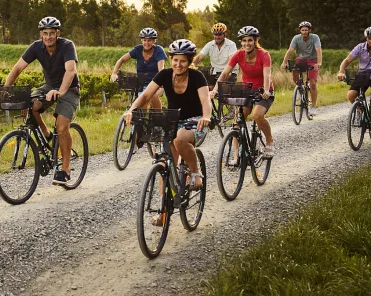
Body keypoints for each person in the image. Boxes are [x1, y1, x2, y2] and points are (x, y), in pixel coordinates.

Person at [123, 39, 211, 225]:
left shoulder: (197, 77)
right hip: (173, 120)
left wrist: (206, 117)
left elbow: (205, 101)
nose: (178, 64)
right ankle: (164, 211)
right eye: (175, 60)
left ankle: (195, 171)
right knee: (165, 162)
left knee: (179, 140)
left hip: (196, 122)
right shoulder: (164, 75)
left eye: (183, 61)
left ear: (189, 61)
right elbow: (146, 95)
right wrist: (131, 110)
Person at [4, 16, 80, 186]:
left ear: (57, 33)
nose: (48, 37)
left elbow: (70, 71)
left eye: (51, 33)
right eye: (45, 33)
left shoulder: (67, 46)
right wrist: (6, 89)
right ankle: (46, 134)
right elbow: (17, 68)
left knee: (61, 127)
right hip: (49, 86)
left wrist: (60, 91)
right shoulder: (36, 47)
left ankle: (65, 170)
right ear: (41, 35)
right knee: (30, 104)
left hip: (69, 89)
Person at [211, 26, 277, 159]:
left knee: (257, 115)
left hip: (263, 91)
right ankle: (236, 157)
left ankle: (269, 141)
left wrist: (265, 90)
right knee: (237, 123)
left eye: (250, 40)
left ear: (255, 40)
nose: (247, 43)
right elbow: (224, 74)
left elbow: (267, 75)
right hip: (246, 89)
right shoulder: (238, 54)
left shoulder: (264, 55)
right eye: (244, 41)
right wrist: (214, 90)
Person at [337, 26, 371, 133]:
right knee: (351, 95)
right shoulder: (360, 47)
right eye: (369, 38)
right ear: (366, 38)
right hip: (363, 75)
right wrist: (341, 72)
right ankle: (360, 112)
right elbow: (347, 60)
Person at [110, 28, 166, 111]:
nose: (146, 43)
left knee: (153, 96)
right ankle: (142, 122)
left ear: (154, 41)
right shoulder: (138, 50)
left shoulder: (159, 50)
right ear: (141, 40)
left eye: (149, 40)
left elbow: (161, 70)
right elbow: (121, 60)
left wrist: (160, 83)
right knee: (142, 103)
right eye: (144, 40)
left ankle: (158, 117)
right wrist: (114, 73)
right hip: (141, 84)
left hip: (156, 83)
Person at [281, 21, 323, 117]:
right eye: (302, 30)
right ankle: (299, 88)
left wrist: (319, 63)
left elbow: (318, 50)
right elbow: (290, 50)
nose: (304, 32)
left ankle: (313, 107)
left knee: (312, 83)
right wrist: (284, 62)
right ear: (300, 31)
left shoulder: (315, 38)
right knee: (294, 69)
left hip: (312, 60)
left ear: (309, 31)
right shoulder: (296, 38)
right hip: (301, 59)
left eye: (306, 30)